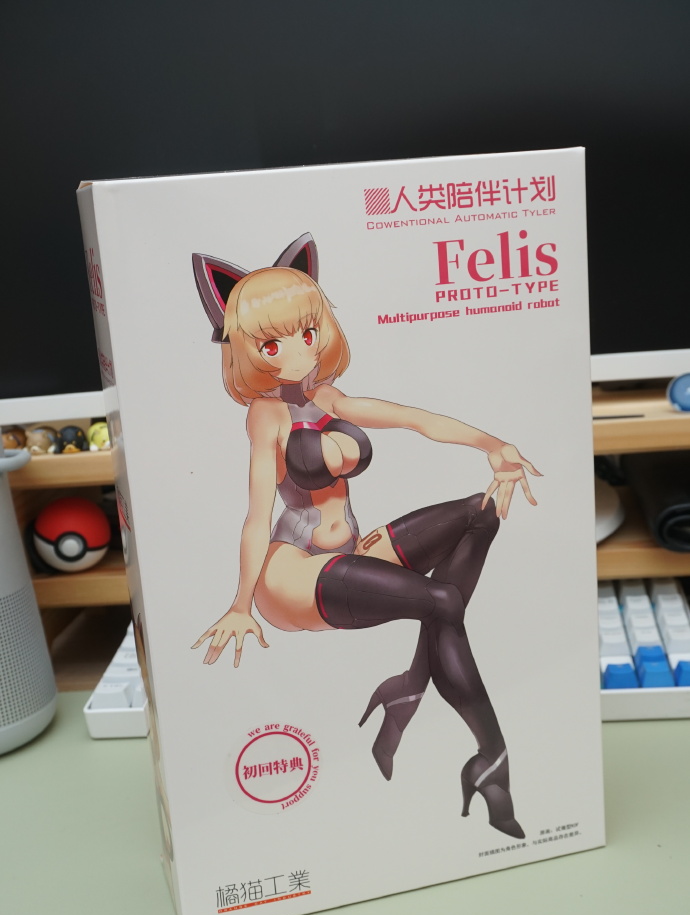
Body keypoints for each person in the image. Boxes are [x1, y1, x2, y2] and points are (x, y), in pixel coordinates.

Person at [191, 236, 541, 839]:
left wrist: (493, 445)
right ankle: (492, 758)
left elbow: (414, 419)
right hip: (292, 574)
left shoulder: (329, 398)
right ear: (248, 350)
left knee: (481, 513)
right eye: (272, 344)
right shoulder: (267, 415)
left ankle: (408, 689)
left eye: (307, 332)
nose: (298, 352)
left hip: (347, 554)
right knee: (443, 602)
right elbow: (256, 514)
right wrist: (240, 604)